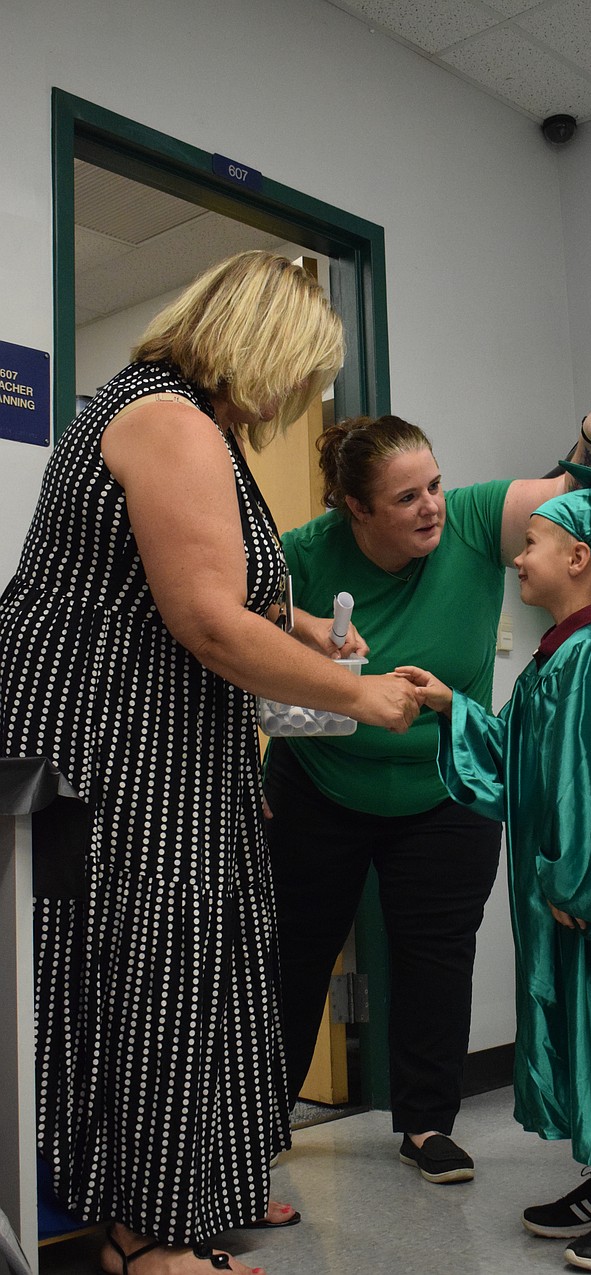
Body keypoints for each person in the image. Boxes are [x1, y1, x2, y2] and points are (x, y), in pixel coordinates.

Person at [0, 251, 420, 1275]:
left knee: (205, 957)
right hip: (111, 743)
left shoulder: (198, 430)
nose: (301, 393)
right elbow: (207, 624)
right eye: (304, 368)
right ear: (262, 346)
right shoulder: (168, 422)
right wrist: (361, 697)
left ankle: (200, 1189)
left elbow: (242, 600)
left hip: (165, 740)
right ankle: (144, 1235)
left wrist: (313, 630)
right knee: (154, 967)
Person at [262, 401, 591, 1184]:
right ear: (356, 508)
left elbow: (565, 506)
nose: (431, 504)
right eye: (406, 498)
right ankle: (260, 1125)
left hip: (446, 786)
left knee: (436, 956)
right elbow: (227, 632)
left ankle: (427, 1124)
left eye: (434, 484)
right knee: (294, 957)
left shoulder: (473, 519)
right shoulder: (301, 552)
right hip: (319, 786)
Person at [399, 464, 591, 1272]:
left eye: (531, 544)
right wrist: (447, 705)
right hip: (571, 889)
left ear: (577, 559)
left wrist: (576, 882)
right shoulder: (558, 657)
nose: (517, 558)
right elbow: (519, 757)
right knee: (584, 1025)